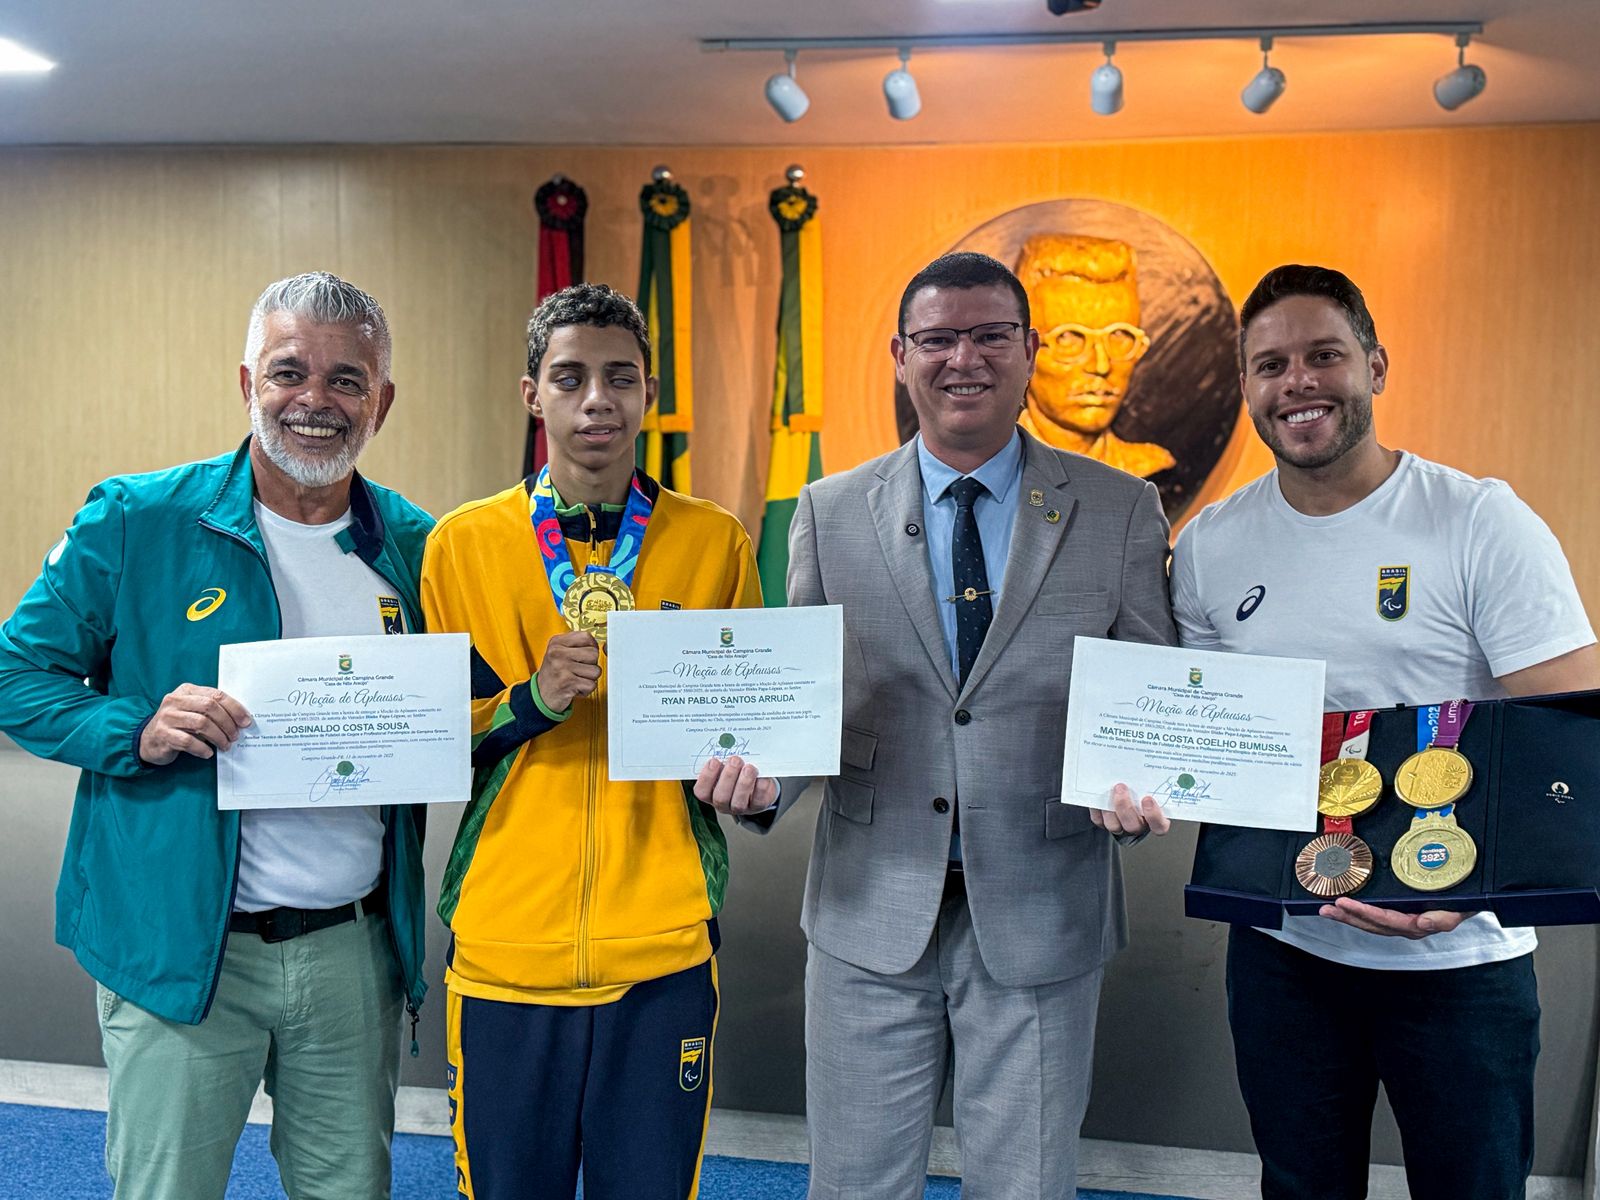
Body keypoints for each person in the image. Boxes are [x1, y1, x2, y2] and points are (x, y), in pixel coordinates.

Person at [716, 251, 1174, 1199]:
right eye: (937, 338)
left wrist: (1147, 781)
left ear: (1028, 351)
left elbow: (1154, 698)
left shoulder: (1123, 510)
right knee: (855, 1182)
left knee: (1024, 1185)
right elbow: (809, 698)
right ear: (900, 354)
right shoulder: (827, 512)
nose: (963, 357)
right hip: (869, 910)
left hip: (1044, 905)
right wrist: (764, 781)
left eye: (990, 335)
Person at [1170, 264, 1600, 1200]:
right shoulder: (1210, 544)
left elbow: (1566, 736)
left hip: (1457, 954)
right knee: (1301, 1184)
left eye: (1325, 355)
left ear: (1375, 364)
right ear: (1247, 385)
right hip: (1287, 951)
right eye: (1270, 364)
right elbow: (1209, 733)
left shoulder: (1479, 520)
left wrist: (1472, 895)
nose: (1299, 383)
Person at [0, 272, 432, 1198]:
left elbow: (475, 711)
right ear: (246, 385)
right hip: (180, 945)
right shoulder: (138, 518)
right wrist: (136, 727)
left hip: (352, 953)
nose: (315, 402)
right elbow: (15, 676)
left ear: (381, 402)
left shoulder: (418, 546)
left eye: (347, 380)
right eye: (289, 372)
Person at [422, 282, 773, 1200]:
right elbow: (423, 738)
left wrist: (749, 771)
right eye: (570, 377)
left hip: (659, 945)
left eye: (620, 378)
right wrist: (527, 702)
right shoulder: (461, 546)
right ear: (531, 393)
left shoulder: (715, 543)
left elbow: (752, 720)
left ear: (648, 393)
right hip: (505, 944)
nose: (597, 401)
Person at [1014, 232, 1173, 478]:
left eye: (1119, 337)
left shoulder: (1151, 471)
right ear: (1024, 351)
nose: (1100, 365)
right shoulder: (985, 469)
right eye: (1069, 338)